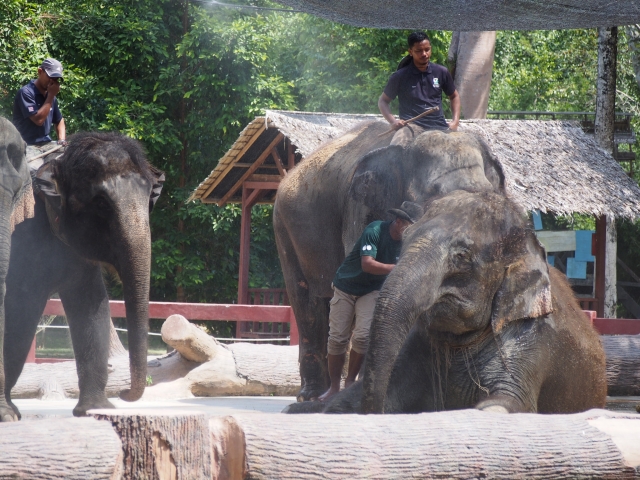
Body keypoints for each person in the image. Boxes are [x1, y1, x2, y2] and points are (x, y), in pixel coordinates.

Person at [319, 201, 424, 402]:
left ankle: (350, 383)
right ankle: (333, 387)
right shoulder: (375, 230)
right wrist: (396, 267)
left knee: (362, 336)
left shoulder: (407, 243)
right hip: (346, 287)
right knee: (338, 337)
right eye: (410, 225)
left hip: (372, 290)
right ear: (399, 221)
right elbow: (367, 264)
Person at [378, 31, 461, 146]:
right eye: (419, 51)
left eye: (427, 49)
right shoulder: (400, 76)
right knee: (395, 149)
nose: (424, 54)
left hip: (439, 126)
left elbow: (454, 96)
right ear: (410, 52)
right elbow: (383, 101)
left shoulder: (441, 72)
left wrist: (455, 121)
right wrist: (393, 121)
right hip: (410, 128)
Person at [12, 58, 66, 147]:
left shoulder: (50, 95)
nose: (52, 81)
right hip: (25, 144)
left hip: (45, 142)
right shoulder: (26, 92)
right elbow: (39, 120)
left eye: (56, 79)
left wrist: (62, 140)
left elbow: (59, 120)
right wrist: (51, 96)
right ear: (40, 72)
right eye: (50, 77)